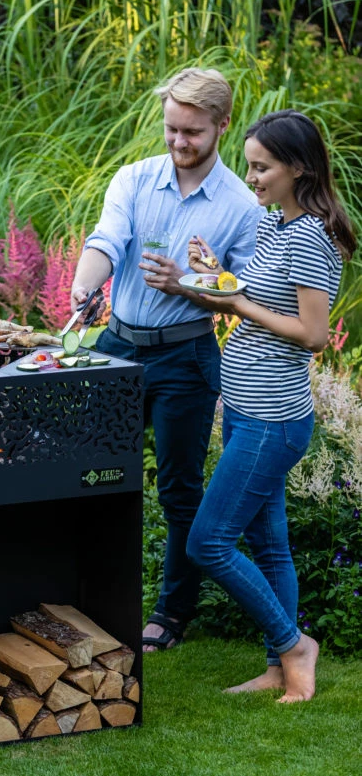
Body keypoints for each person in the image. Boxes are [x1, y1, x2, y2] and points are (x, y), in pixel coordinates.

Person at [70, 67, 262, 651]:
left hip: (187, 357)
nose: (179, 143)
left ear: (222, 127)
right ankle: (89, 593)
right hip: (117, 348)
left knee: (180, 491)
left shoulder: (241, 205)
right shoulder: (134, 178)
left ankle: (173, 611)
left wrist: (188, 285)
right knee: (91, 475)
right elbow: (107, 241)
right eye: (171, 129)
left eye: (193, 133)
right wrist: (84, 288)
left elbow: (243, 292)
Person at [185, 109, 356, 702]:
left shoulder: (310, 234)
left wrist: (236, 307)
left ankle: (294, 644)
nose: (251, 177)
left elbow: (311, 332)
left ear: (298, 168)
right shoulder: (276, 226)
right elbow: (263, 297)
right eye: (251, 165)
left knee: (207, 542)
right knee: (269, 545)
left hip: (272, 420)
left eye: (262, 167)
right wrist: (217, 277)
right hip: (244, 410)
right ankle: (278, 666)